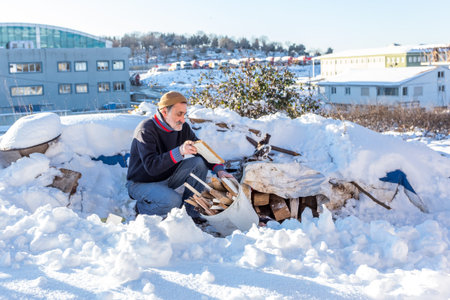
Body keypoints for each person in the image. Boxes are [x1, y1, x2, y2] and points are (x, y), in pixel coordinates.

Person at [126, 91, 233, 219]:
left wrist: (219, 170)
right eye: (179, 114)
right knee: (173, 202)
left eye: (184, 114)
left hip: (166, 177)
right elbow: (152, 167)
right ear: (165, 112)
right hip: (141, 183)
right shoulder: (146, 130)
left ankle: (191, 213)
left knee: (198, 163)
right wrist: (180, 152)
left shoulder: (182, 127)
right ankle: (141, 208)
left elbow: (200, 150)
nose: (183, 120)